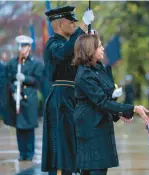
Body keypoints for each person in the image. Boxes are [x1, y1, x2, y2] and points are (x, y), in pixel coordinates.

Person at [73, 33, 149, 175]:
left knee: (99, 168)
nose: (103, 49)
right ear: (90, 50)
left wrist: (118, 113)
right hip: (90, 127)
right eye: (99, 46)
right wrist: (132, 108)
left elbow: (106, 98)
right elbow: (101, 101)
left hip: (100, 124)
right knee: (94, 169)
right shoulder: (84, 75)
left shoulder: (99, 68)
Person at [41, 5, 94, 175]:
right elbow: (64, 53)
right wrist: (83, 27)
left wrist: (88, 38)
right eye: (71, 22)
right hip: (60, 100)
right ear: (60, 25)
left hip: (71, 97)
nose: (74, 25)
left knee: (72, 144)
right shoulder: (53, 44)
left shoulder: (68, 43)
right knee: (61, 148)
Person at [6, 35, 43, 161]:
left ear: (29, 48)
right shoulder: (13, 63)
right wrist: (13, 90)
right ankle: (22, 153)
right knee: (20, 127)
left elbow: (38, 81)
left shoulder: (35, 64)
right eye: (20, 46)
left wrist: (25, 79)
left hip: (30, 99)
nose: (22, 49)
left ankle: (30, 152)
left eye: (25, 46)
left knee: (29, 128)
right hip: (17, 100)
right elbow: (8, 80)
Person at [0, 52, 9, 120]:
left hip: (4, 86)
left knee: (4, 102)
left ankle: (4, 117)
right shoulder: (2, 65)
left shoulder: (6, 65)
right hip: (1, 86)